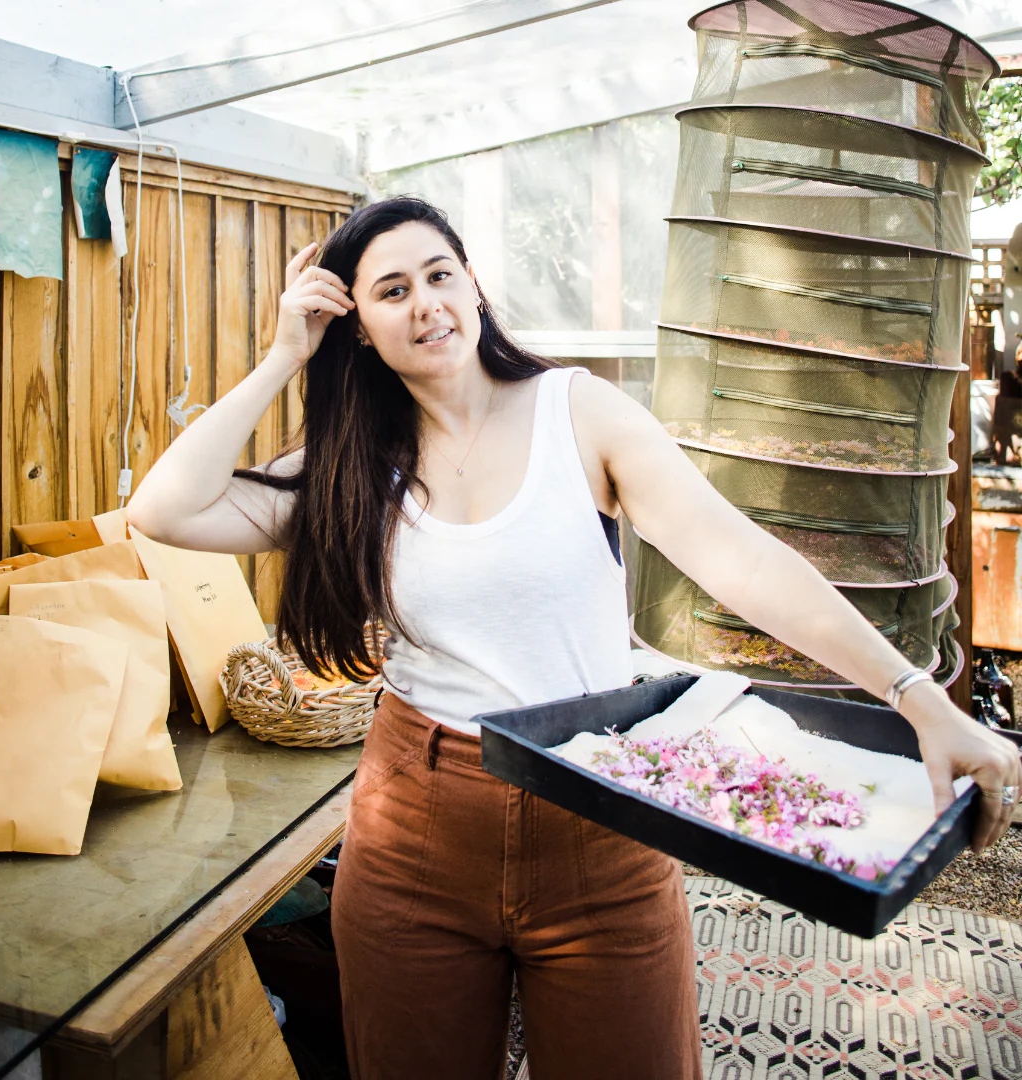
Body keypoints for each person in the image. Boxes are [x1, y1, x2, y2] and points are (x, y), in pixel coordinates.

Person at [126, 196, 1021, 1080]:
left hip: (599, 818)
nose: (426, 303)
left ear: (474, 285)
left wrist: (913, 697)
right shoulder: (347, 469)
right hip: (417, 828)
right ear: (356, 324)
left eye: (441, 275)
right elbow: (162, 510)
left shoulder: (576, 414)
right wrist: (284, 354)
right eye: (391, 291)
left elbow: (741, 561)